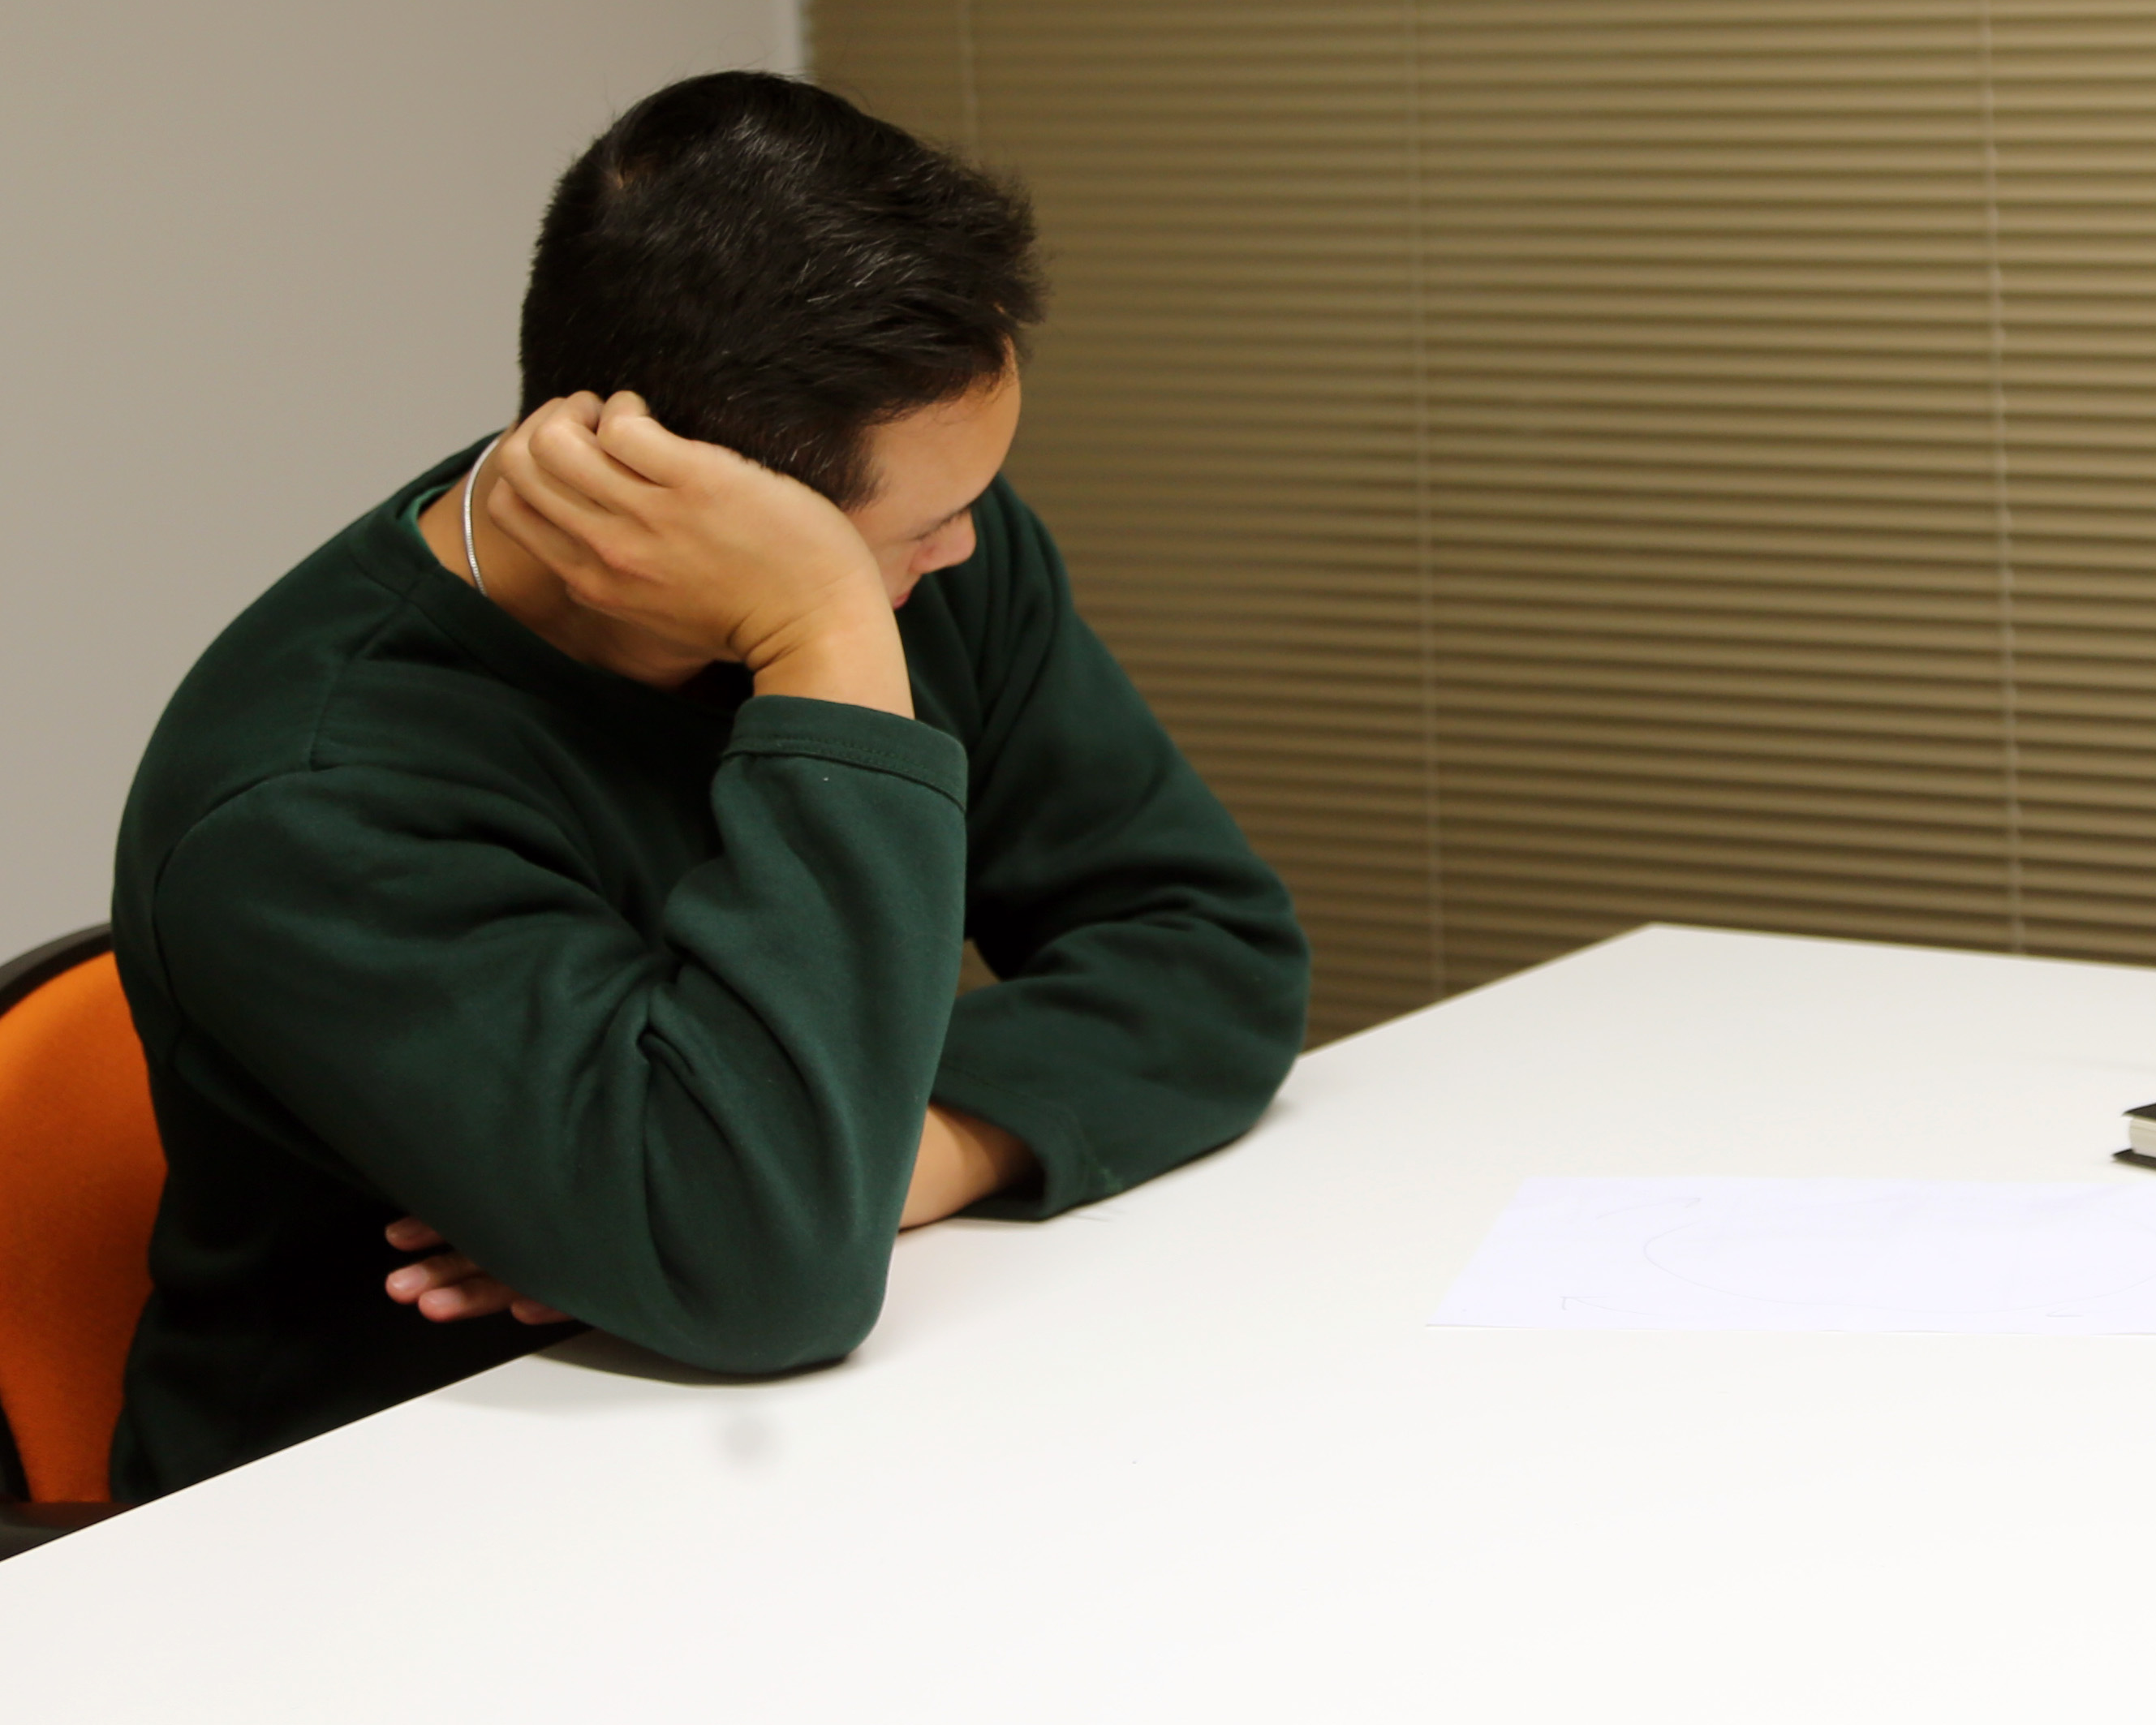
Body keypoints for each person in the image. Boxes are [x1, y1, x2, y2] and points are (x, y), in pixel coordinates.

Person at [109, 72, 1309, 1497]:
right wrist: (825, 644)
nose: (968, 555)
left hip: (761, 1458)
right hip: (369, 1518)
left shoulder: (922, 555)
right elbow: (767, 1278)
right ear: (696, 501)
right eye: (914, 530)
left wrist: (898, 1164)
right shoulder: (308, 802)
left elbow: (1213, 957)